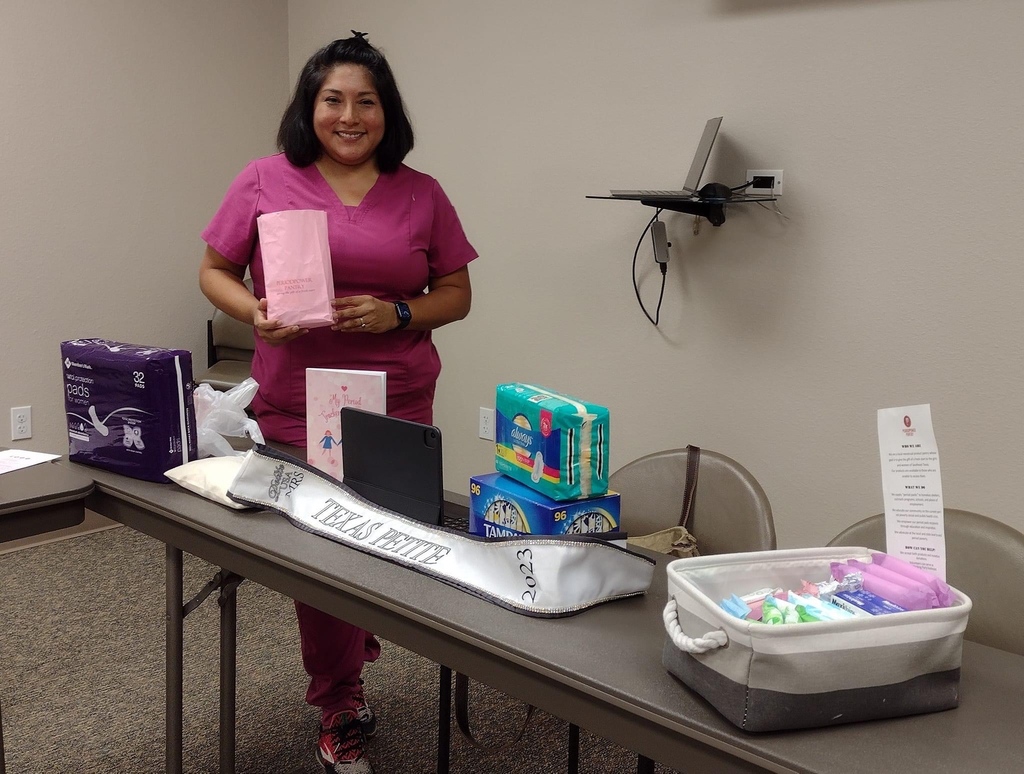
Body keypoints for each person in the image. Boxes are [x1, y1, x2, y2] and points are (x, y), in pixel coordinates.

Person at [198, 32, 476, 773]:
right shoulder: (265, 178)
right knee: (321, 556)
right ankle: (340, 700)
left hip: (394, 401)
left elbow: (458, 292)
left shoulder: (422, 192)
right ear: (309, 107)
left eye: (366, 101)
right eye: (333, 100)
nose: (349, 116)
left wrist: (401, 314)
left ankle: (351, 637)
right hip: (295, 400)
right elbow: (214, 270)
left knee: (382, 542)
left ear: (387, 113)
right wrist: (252, 309)